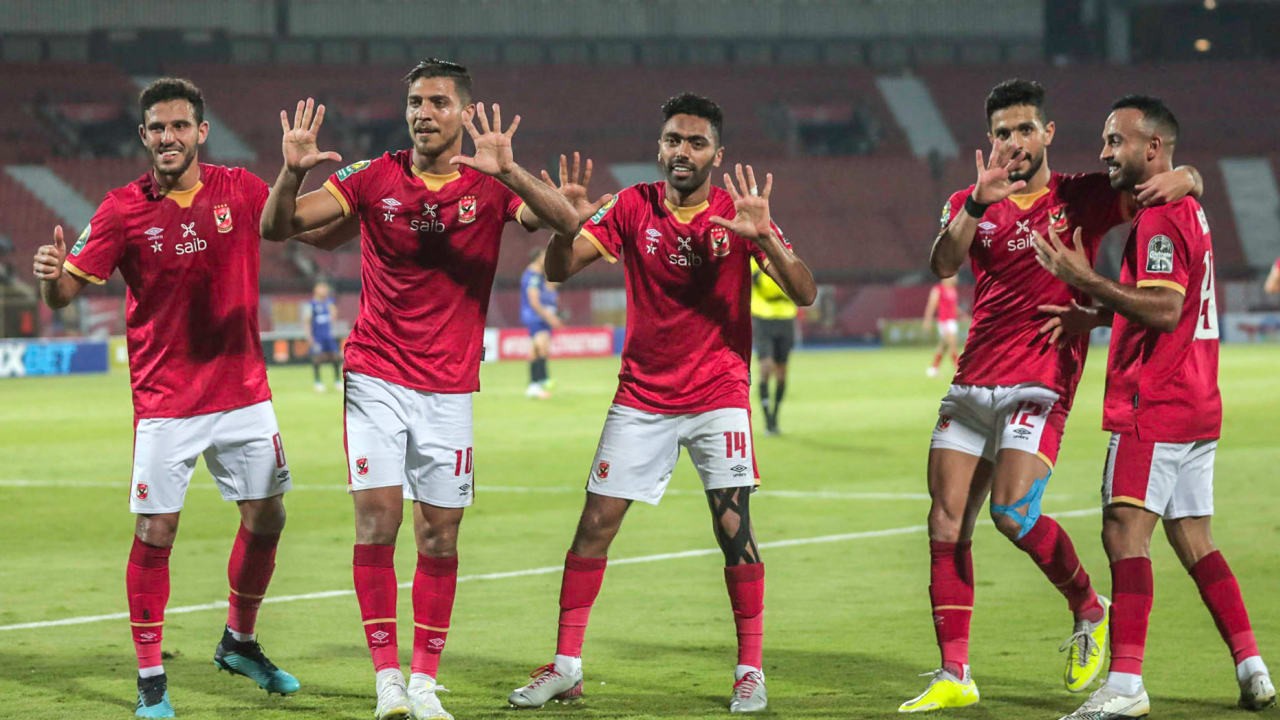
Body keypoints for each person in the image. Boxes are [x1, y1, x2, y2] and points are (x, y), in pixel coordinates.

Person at [258, 59, 580, 720]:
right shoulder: (373, 175)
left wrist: (511, 172)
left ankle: (425, 682)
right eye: (414, 102)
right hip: (375, 374)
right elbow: (278, 227)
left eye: (437, 102)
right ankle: (388, 682)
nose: (423, 113)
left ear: (464, 112)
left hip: (449, 387)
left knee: (440, 535)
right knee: (378, 521)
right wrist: (291, 172)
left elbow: (566, 222)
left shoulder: (489, 183)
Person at [506, 93, 816, 714]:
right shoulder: (631, 205)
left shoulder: (736, 214)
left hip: (718, 394)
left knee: (734, 529)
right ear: (659, 146)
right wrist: (566, 224)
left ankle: (750, 671)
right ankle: (566, 667)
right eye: (674, 140)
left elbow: (803, 292)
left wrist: (766, 239)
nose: (683, 152)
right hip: (642, 396)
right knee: (594, 524)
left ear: (717, 155)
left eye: (696, 143)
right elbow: (560, 270)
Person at [902, 79, 1204, 713]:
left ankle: (1089, 606)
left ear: (1047, 134)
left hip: (1041, 377)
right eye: (1002, 132)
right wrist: (975, 204)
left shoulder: (1081, 195)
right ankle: (955, 672)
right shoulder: (969, 200)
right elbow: (942, 264)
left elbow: (1157, 182)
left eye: (1023, 129)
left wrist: (1191, 177)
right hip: (973, 378)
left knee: (1012, 512)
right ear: (989, 139)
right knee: (945, 520)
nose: (1013, 141)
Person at [31, 78, 312, 719]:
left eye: (180, 126)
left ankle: (239, 642)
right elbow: (65, 294)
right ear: (143, 136)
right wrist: (50, 277)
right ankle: (152, 679)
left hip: (243, 391)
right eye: (157, 128)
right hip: (166, 400)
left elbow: (284, 223)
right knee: (156, 531)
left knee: (268, 517)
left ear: (201, 132)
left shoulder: (239, 188)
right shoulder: (121, 209)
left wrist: (293, 173)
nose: (168, 137)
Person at [1035, 95, 1274, 720]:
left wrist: (1086, 279)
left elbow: (1165, 310)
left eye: (1116, 141)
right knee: (1194, 538)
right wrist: (1097, 315)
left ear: (1153, 147)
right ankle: (1252, 668)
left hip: (1155, 402)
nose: (1105, 152)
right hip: (1196, 400)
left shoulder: (1162, 218)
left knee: (1124, 531)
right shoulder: (1186, 206)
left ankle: (1125, 684)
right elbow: (1171, 301)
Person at [750, 256, 797, 434]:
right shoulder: (755, 258)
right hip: (763, 318)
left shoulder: (787, 256)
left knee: (782, 373)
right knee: (766, 367)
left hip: (786, 318)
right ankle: (767, 419)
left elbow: (795, 284)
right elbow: (767, 287)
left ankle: (775, 417)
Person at [520, 246, 561, 399]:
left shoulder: (537, 275)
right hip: (535, 316)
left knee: (537, 350)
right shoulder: (533, 277)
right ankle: (537, 384)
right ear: (537, 258)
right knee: (541, 348)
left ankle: (535, 385)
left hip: (538, 316)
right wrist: (550, 317)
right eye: (544, 256)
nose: (546, 259)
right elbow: (534, 302)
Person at [305, 279, 342, 391]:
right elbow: (307, 321)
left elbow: (334, 317)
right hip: (317, 336)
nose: (324, 290)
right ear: (315, 289)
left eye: (325, 288)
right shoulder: (311, 305)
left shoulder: (329, 303)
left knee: (335, 357)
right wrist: (309, 336)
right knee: (317, 358)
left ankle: (337, 381)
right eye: (321, 288)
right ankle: (318, 382)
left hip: (328, 336)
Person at [922, 275, 960, 378]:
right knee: (953, 344)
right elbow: (931, 305)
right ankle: (958, 370)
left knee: (944, 346)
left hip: (952, 321)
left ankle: (933, 369)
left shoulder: (953, 290)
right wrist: (927, 320)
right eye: (954, 276)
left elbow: (953, 307)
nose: (956, 279)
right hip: (944, 321)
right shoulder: (938, 289)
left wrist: (963, 315)